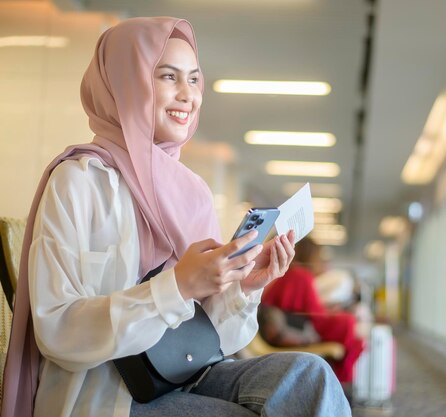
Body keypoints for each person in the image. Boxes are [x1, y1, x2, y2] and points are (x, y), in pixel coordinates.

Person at [1, 17, 351, 417]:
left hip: (183, 373)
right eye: (169, 77)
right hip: (106, 393)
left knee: (310, 375)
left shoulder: (192, 191)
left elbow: (213, 338)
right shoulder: (79, 181)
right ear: (125, 81)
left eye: (195, 79)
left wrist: (244, 287)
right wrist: (177, 286)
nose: (188, 95)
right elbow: (58, 331)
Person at [261, 237, 365, 385]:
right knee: (350, 323)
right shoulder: (302, 275)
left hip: (288, 326)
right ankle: (342, 382)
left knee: (353, 335)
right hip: (299, 329)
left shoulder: (290, 274)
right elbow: (317, 316)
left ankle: (340, 383)